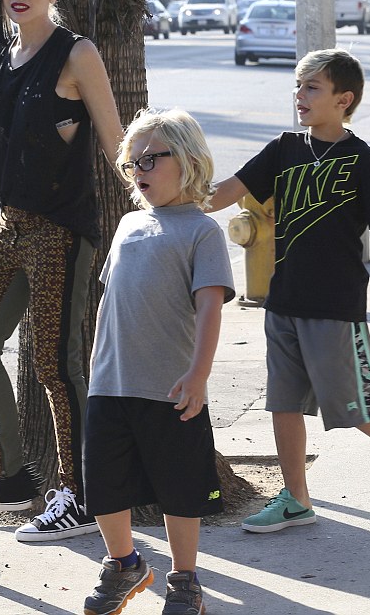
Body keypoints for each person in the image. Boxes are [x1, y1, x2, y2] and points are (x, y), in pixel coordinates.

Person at [209, 48, 370, 534]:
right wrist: (166, 198)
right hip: (284, 303)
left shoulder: (362, 159)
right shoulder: (284, 148)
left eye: (311, 88)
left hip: (336, 306)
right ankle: (296, 499)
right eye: (298, 86)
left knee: (353, 406)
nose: (300, 96)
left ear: (344, 99)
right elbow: (227, 191)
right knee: (283, 402)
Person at [0, 0, 123, 543]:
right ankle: (13, 477)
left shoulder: (75, 53)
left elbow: (116, 141)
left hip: (60, 228)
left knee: (56, 365)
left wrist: (159, 207)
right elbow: (1, 143)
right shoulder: (0, 51)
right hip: (12, 225)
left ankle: (79, 497)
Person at [82, 109, 235, 615]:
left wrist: (199, 374)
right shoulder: (129, 224)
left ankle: (185, 579)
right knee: (102, 485)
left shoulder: (201, 232)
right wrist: (97, 365)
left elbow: (210, 306)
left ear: (188, 160)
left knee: (180, 489)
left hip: (171, 388)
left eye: (150, 159)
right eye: (132, 164)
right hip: (110, 382)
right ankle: (124, 562)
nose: (139, 171)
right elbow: (113, 300)